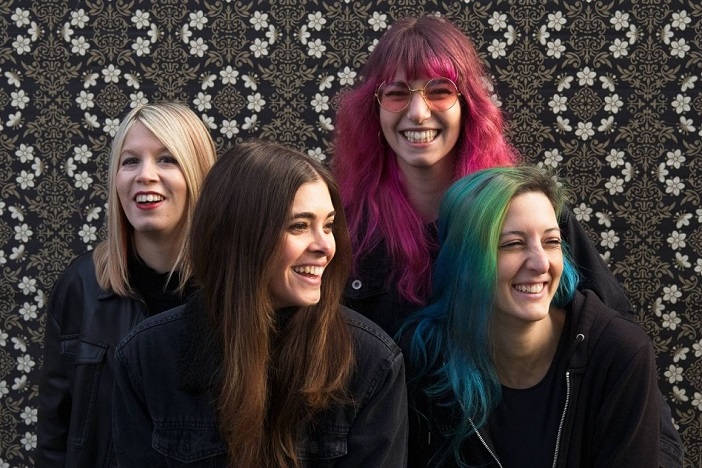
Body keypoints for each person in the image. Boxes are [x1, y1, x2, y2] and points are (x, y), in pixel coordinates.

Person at [331, 14, 683, 465]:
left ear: (467, 105)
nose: (417, 113)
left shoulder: (531, 209)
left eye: (439, 91)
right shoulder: (346, 231)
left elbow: (616, 344)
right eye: (397, 94)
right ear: (374, 108)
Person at [111, 140, 408, 467]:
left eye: (328, 225)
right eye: (299, 226)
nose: (325, 246)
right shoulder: (146, 357)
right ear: (239, 236)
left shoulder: (371, 362)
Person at [402, 165, 661, 467]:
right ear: (464, 262)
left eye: (551, 242)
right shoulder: (425, 356)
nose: (541, 264)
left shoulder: (619, 354)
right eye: (513, 244)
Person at [36, 101, 218, 467]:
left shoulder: (234, 290)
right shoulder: (81, 286)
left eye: (167, 159)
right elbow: (55, 432)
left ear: (198, 173)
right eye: (130, 161)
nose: (145, 175)